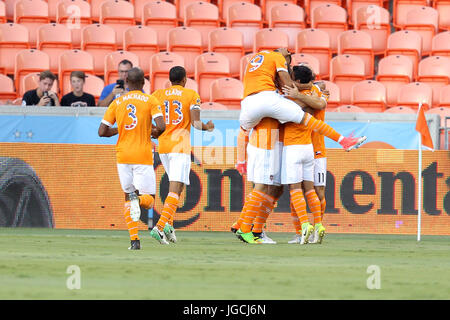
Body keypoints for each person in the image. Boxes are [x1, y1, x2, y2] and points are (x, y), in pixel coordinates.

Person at [236, 48, 366, 175]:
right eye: (288, 60)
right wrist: (309, 86)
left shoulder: (255, 59)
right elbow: (288, 85)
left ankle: (241, 162)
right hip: (269, 100)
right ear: (284, 54)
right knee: (307, 118)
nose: (288, 64)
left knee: (243, 131)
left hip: (249, 103)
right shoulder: (278, 57)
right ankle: (344, 141)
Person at [98, 67, 165, 250]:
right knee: (149, 200)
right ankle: (138, 201)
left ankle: (134, 241)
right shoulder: (151, 100)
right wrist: (155, 132)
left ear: (126, 82)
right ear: (143, 83)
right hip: (142, 155)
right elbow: (161, 126)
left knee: (128, 197)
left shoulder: (117, 102)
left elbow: (102, 132)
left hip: (123, 156)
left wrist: (119, 130)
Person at [150, 66, 214, 244]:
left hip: (163, 147)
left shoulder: (157, 95)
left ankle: (169, 225)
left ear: (170, 80)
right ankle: (160, 226)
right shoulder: (191, 95)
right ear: (185, 79)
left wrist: (153, 133)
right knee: (175, 188)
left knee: (177, 188)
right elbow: (195, 123)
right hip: (180, 148)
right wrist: (207, 127)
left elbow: (150, 119)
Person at [281, 65, 328, 245]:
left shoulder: (314, 91)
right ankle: (299, 231)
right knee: (304, 190)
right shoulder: (315, 89)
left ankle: (317, 227)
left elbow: (320, 103)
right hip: (308, 146)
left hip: (314, 147)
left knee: (315, 191)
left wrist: (298, 96)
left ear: (298, 81)